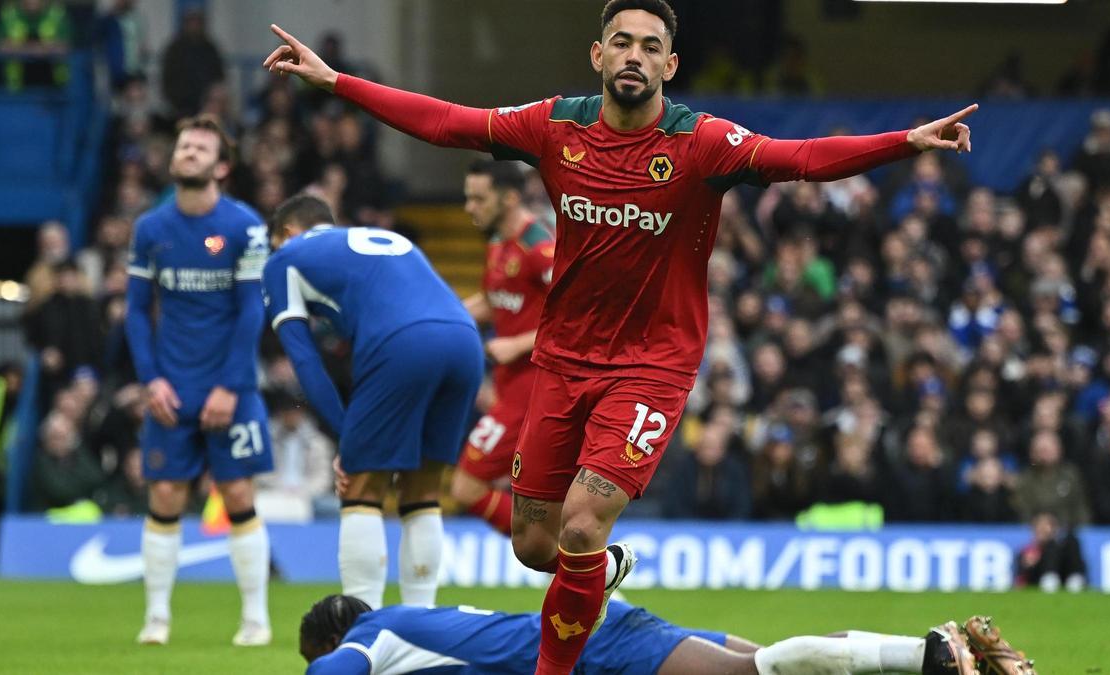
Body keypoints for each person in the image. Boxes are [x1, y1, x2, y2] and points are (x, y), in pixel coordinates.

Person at [264, 1, 976, 670]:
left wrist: (904, 143)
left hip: (651, 367)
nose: (636, 56)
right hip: (563, 360)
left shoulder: (701, 143)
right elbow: (448, 121)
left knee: (579, 526)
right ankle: (603, 572)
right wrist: (337, 82)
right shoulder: (555, 127)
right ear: (599, 54)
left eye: (653, 47)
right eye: (625, 43)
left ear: (670, 65)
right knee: (534, 541)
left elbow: (801, 158)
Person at [262, 194, 483, 610]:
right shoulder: (382, 238)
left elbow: (305, 359)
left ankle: (361, 625)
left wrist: (349, 440)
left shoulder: (284, 257)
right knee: (422, 490)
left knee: (362, 488)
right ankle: (423, 625)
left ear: (288, 233)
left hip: (403, 344)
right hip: (464, 340)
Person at [125, 114, 274, 647]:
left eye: (199, 147)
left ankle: (255, 619)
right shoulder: (150, 228)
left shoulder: (246, 226)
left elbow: (251, 311)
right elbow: (138, 312)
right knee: (164, 493)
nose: (186, 152)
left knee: (237, 492)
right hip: (172, 386)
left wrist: (232, 385)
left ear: (222, 166)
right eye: (183, 145)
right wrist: (150, 380)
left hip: (230, 384)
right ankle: (157, 620)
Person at [298, 594, 1042, 675]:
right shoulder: (417, 632)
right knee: (762, 657)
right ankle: (941, 642)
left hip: (593, 646)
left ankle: (932, 657)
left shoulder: (373, 633)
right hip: (594, 633)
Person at [453, 160, 554, 536]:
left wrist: (517, 344)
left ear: (510, 198)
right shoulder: (498, 243)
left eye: (479, 199)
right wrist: (445, 317)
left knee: (467, 485)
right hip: (509, 388)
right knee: (537, 493)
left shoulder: (540, 248)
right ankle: (560, 552)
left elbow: (578, 319)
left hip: (535, 390)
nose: (469, 208)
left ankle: (549, 546)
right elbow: (495, 300)